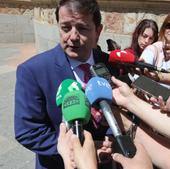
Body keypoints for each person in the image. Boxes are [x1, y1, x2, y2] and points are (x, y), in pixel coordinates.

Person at [14, 0, 118, 168]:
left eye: (82, 28)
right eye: (65, 28)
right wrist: (75, 151)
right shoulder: (32, 71)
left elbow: (120, 114)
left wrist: (110, 139)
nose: (73, 37)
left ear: (98, 31)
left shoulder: (111, 65)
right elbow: (28, 131)